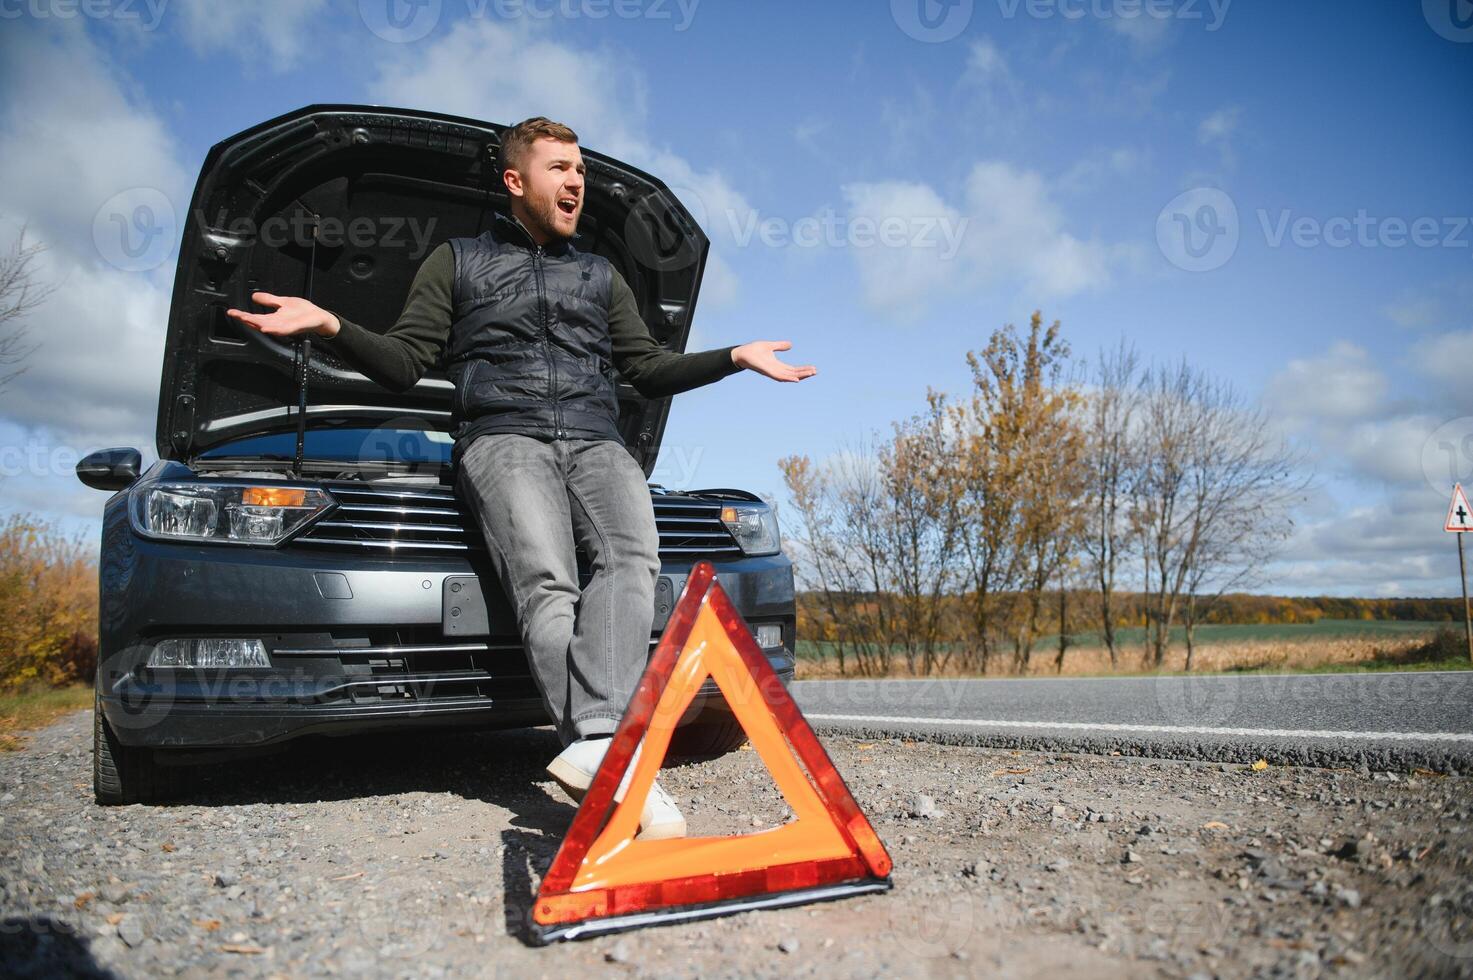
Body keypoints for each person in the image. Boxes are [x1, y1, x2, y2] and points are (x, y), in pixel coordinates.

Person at [225, 116, 816, 840]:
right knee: (547, 581)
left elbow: (646, 369)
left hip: (598, 441)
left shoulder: (600, 274)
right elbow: (407, 359)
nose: (576, 182)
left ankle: (596, 745)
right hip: (503, 437)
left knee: (631, 560)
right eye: (560, 169)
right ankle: (614, 758)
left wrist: (734, 355)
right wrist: (329, 325)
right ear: (516, 181)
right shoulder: (458, 260)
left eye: (580, 171)